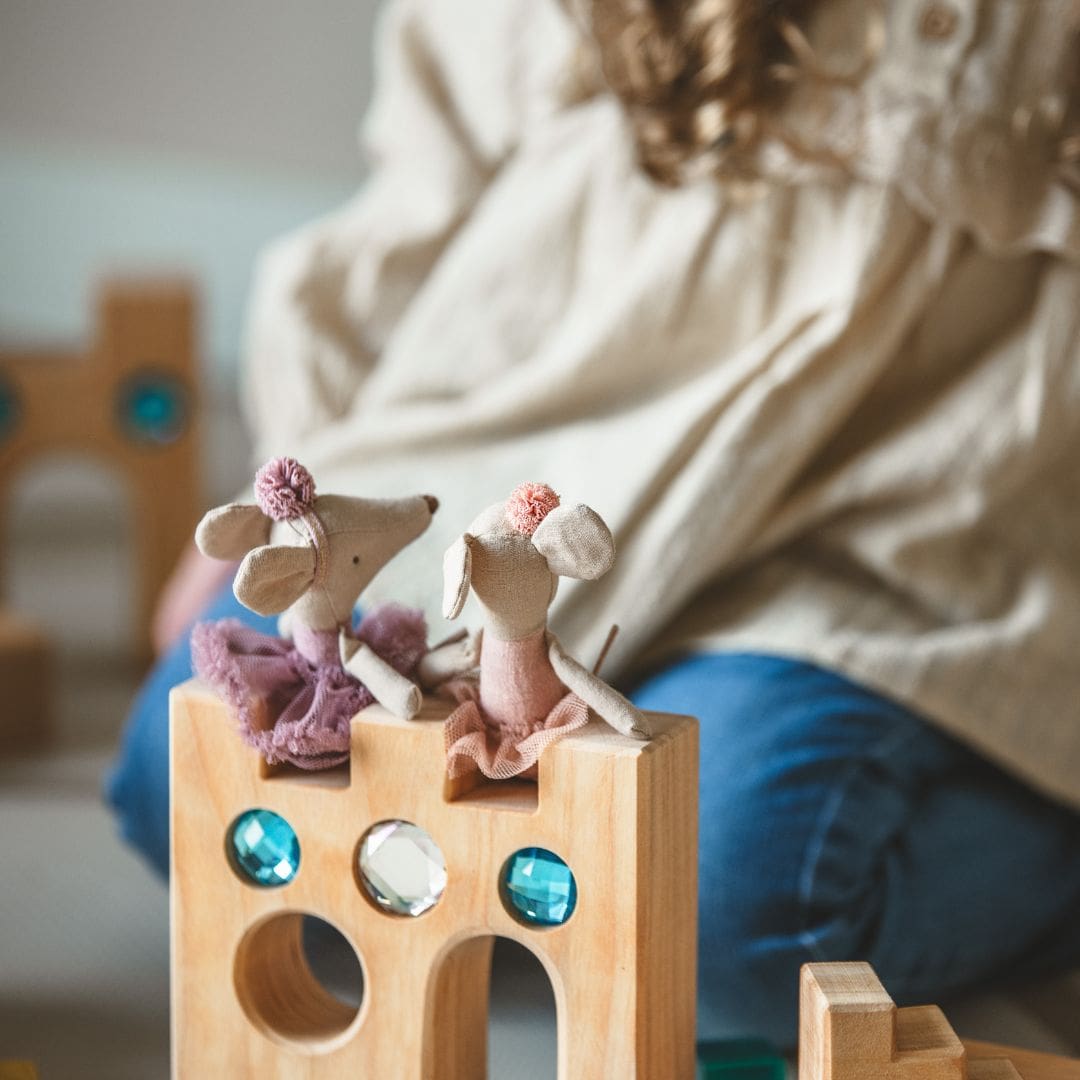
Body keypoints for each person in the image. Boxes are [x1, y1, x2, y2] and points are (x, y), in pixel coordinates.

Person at [107, 0, 1080, 1046]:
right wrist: (295, 476)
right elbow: (414, 206)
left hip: (884, 506)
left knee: (728, 890)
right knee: (200, 774)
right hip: (541, 444)